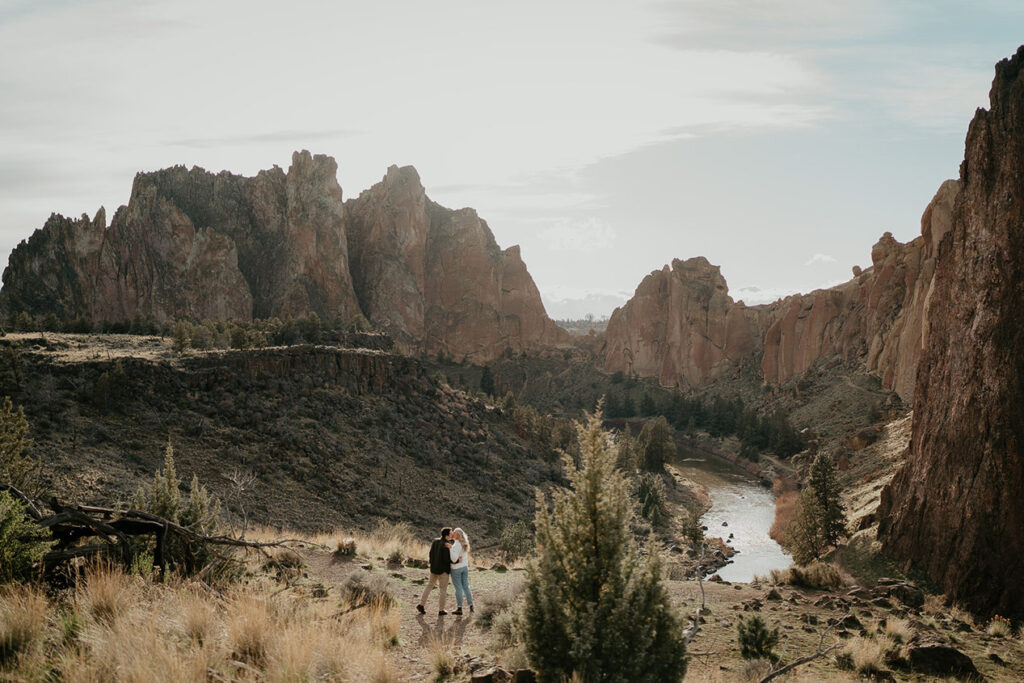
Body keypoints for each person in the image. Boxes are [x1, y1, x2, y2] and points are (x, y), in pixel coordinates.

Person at [417, 527, 452, 615]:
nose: (452, 535)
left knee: (429, 586)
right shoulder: (446, 544)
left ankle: (421, 604)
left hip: (434, 569)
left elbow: (431, 554)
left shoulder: (435, 541)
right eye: (451, 533)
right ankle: (441, 610)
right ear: (447, 535)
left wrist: (432, 564)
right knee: (443, 590)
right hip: (443, 570)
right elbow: (447, 559)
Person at [449, 527, 474, 615]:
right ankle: (471, 605)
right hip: (465, 567)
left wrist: (450, 548)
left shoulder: (456, 545)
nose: (452, 534)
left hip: (456, 569)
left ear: (458, 535)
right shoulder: (464, 543)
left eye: (454, 533)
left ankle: (459, 608)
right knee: (466, 586)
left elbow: (453, 558)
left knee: (458, 588)